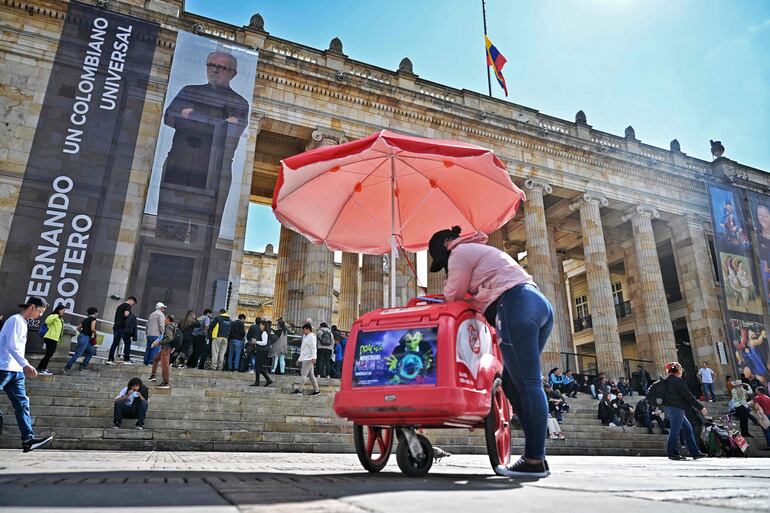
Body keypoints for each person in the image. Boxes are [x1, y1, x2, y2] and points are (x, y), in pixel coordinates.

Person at [428, 225, 552, 477]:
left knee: (528, 384)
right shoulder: (480, 251)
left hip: (515, 305)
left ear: (445, 246)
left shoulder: (459, 253)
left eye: (442, 262)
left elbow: (453, 295)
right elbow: (475, 294)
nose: (446, 264)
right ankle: (536, 454)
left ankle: (534, 459)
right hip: (536, 304)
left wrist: (444, 291)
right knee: (511, 382)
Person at [0, 296, 54, 452]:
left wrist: (22, 366)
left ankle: (28, 440)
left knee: (22, 404)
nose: (40, 315)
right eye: (40, 311)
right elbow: (11, 346)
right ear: (32, 307)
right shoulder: (15, 320)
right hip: (4, 368)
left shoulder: (23, 322)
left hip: (16, 371)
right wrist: (26, 364)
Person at [662, 362, 707, 460]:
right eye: (681, 369)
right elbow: (688, 396)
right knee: (675, 430)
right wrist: (700, 407)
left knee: (687, 428)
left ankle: (695, 452)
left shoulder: (667, 380)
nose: (682, 371)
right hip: (676, 407)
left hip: (670, 407)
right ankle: (672, 453)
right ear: (677, 370)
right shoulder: (677, 381)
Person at [62, 307, 98, 375]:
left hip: (81, 336)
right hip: (86, 338)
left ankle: (83, 366)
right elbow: (92, 329)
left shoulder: (86, 319)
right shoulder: (93, 319)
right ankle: (66, 368)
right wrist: (96, 334)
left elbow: (78, 328)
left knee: (91, 351)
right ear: (95, 312)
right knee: (78, 354)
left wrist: (83, 333)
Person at [37, 304, 66, 375]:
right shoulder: (54, 316)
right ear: (59, 310)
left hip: (54, 339)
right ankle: (41, 369)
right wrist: (56, 315)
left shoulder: (60, 319)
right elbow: (47, 321)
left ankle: (42, 368)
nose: (64, 312)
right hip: (50, 337)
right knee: (49, 354)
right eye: (63, 310)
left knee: (49, 354)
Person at [149, 315, 176, 389]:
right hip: (165, 348)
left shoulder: (168, 326)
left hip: (166, 348)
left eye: (165, 318)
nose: (164, 319)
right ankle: (153, 376)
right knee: (156, 359)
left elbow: (170, 338)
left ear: (168, 319)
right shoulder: (172, 326)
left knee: (164, 365)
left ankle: (165, 382)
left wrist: (159, 343)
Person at [109, 296, 137, 366]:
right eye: (133, 303)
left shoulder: (119, 306)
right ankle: (126, 359)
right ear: (131, 300)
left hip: (116, 327)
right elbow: (126, 314)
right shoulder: (127, 305)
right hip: (123, 328)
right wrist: (132, 316)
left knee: (115, 343)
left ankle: (110, 359)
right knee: (127, 343)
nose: (132, 305)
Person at [294, 323, 320, 396]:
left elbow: (313, 348)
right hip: (306, 357)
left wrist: (314, 357)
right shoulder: (305, 337)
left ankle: (300, 390)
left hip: (308, 358)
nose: (303, 331)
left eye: (304, 330)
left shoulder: (312, 337)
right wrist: (300, 359)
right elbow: (303, 349)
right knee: (311, 375)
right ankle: (317, 390)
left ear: (308, 329)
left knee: (303, 374)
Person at [248, 321, 273, 387]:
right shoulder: (263, 333)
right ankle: (266, 380)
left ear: (264, 326)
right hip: (263, 351)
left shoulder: (264, 333)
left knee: (258, 366)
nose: (260, 326)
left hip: (263, 351)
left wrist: (256, 341)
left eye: (261, 325)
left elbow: (264, 343)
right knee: (259, 366)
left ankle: (258, 381)